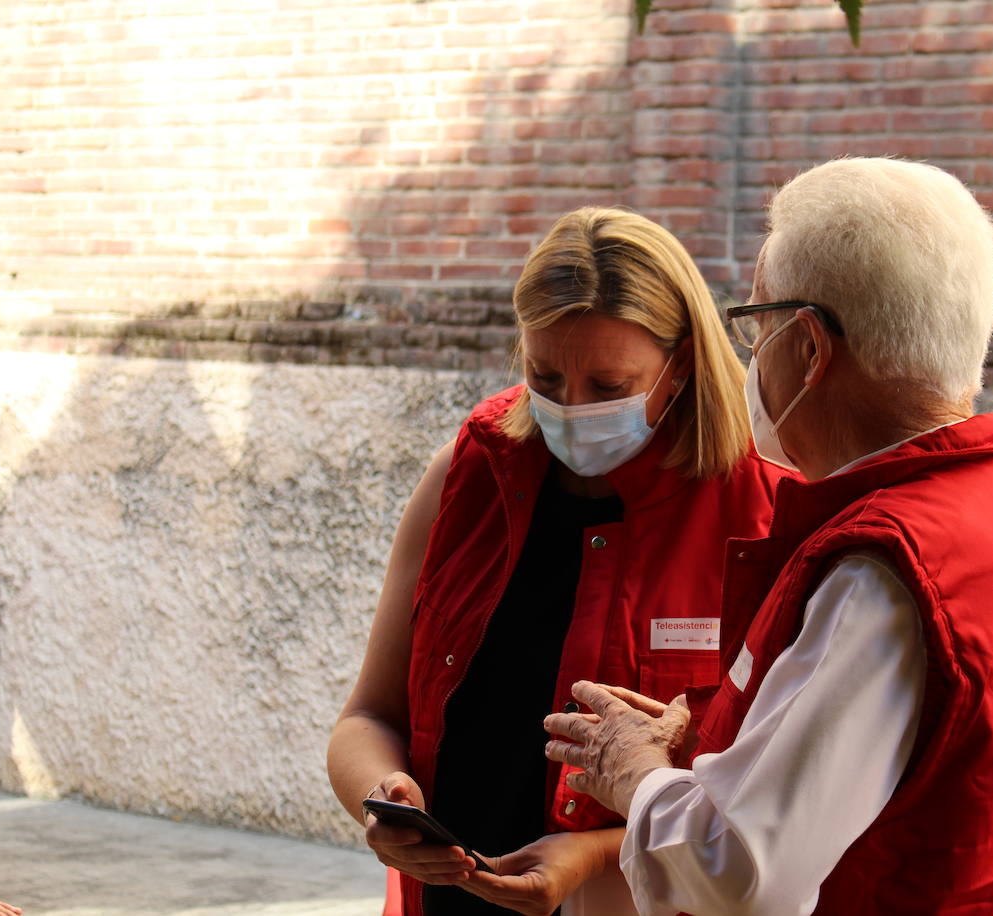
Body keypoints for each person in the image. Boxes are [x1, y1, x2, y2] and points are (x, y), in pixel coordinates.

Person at [543, 158, 993, 915]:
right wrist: (708, 741)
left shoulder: (888, 568)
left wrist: (632, 770)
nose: (751, 357)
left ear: (807, 347)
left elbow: (741, 876)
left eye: (757, 323)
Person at [326, 207, 789, 916]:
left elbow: (777, 794)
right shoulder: (468, 474)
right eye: (544, 376)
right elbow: (368, 715)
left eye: (608, 387)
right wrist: (383, 798)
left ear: (682, 365)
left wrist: (596, 852)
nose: (571, 408)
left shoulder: (762, 514)